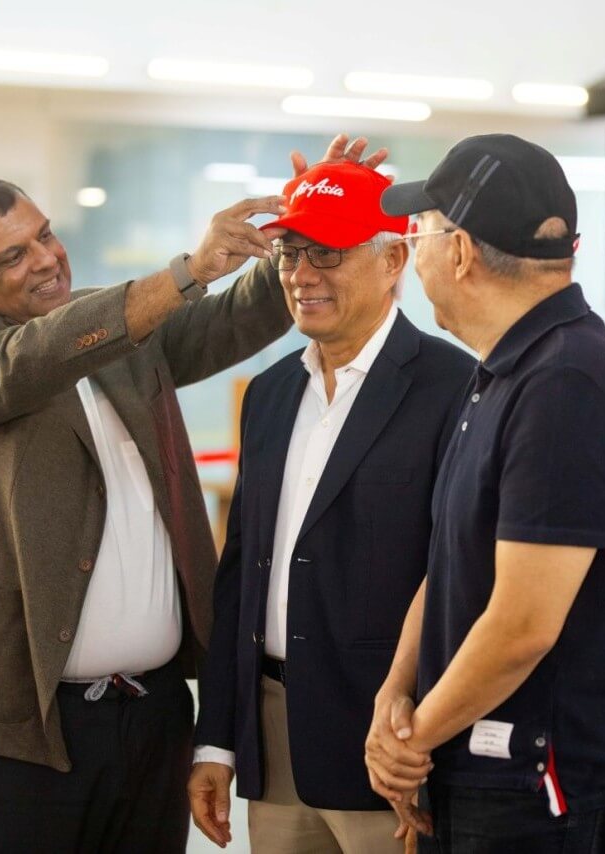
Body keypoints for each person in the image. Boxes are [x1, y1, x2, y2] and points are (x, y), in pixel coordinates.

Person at [0, 135, 380, 853]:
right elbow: (38, 354)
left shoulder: (116, 327)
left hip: (150, 718)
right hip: (18, 730)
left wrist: (300, 231)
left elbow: (233, 318)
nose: (45, 260)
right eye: (11, 257)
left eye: (44, 236)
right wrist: (186, 270)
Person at [364, 134, 605, 853]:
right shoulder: (507, 370)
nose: (414, 249)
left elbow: (522, 624)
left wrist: (410, 742)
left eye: (421, 232)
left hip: (546, 797)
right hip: (479, 769)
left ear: (462, 252)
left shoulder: (566, 385)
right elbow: (453, 562)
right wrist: (395, 692)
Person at [188, 161, 475, 853]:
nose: (301, 274)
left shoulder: (456, 386)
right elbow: (241, 576)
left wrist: (424, 738)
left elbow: (461, 580)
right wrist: (217, 742)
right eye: (291, 252)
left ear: (393, 259)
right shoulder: (268, 395)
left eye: (329, 253)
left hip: (392, 746)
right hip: (274, 738)